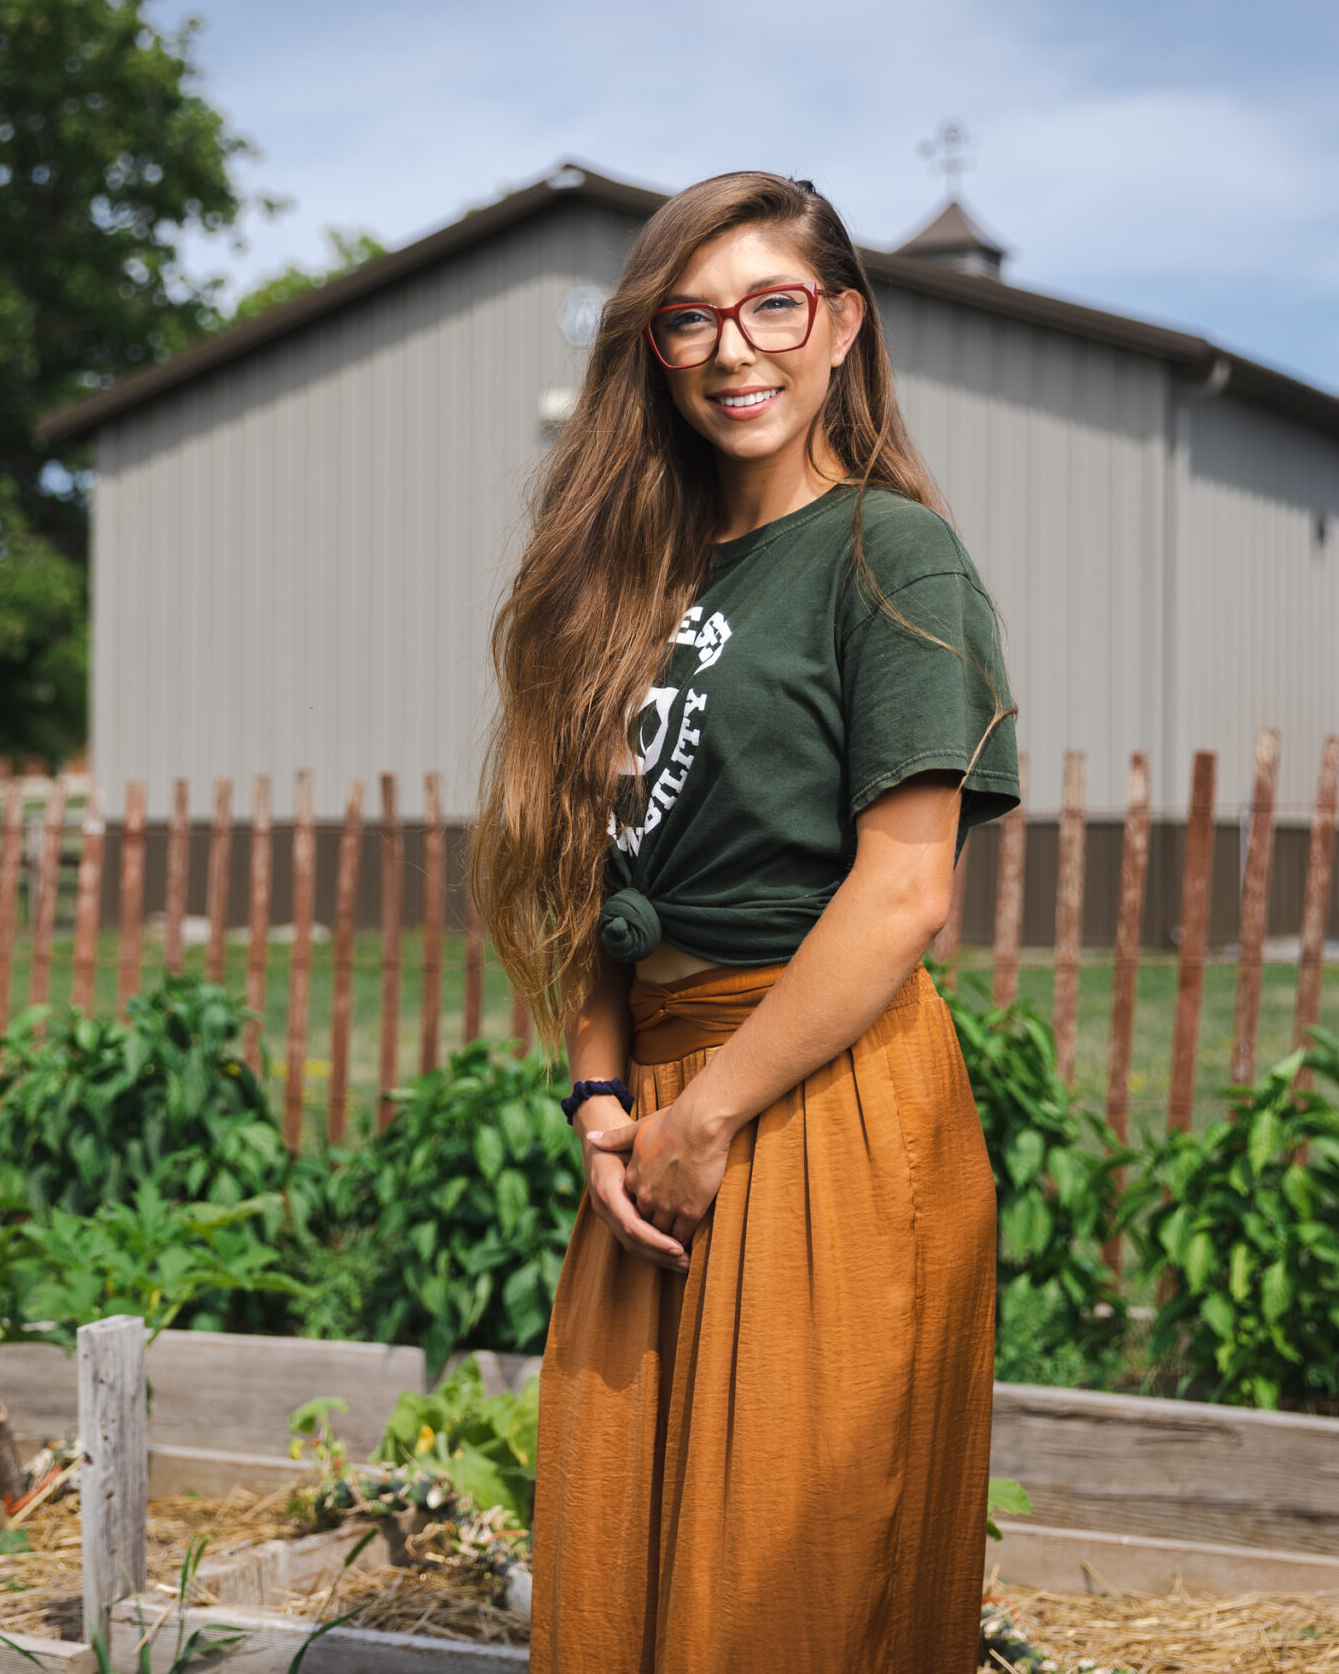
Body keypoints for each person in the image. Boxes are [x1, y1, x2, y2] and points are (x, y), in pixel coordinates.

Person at [474, 171, 1019, 1673]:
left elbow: (904, 887)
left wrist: (705, 1115)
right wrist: (599, 1090)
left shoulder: (889, 558)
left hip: (816, 1103)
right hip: (657, 1109)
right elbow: (606, 866)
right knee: (620, 1572)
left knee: (784, 1589)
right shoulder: (633, 575)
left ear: (842, 323)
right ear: (649, 350)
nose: (734, 349)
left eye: (772, 306)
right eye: (690, 320)